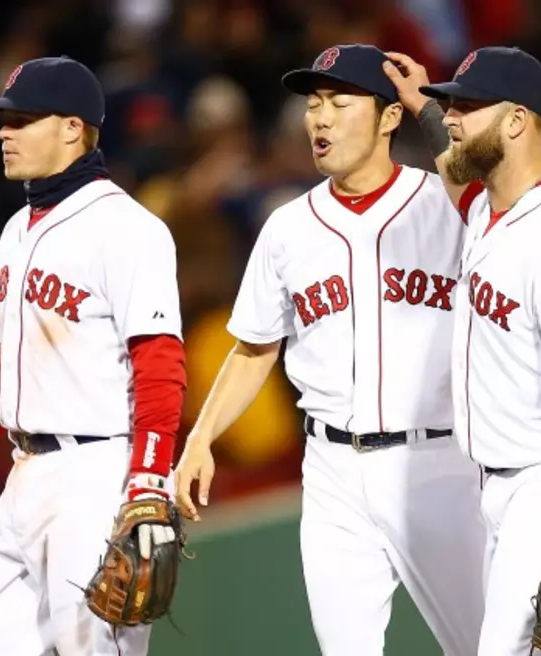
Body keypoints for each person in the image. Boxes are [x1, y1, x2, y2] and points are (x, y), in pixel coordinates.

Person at [174, 44, 487, 656]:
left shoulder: (450, 207)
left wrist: (429, 108)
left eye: (340, 102)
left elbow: (508, 200)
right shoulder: (287, 228)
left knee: (497, 645)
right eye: (312, 104)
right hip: (333, 473)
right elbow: (252, 348)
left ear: (388, 117)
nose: (318, 118)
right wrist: (200, 437)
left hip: (440, 460)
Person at [382, 47, 541, 655]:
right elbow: (455, 173)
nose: (453, 118)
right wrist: (423, 103)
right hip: (503, 481)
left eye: (468, 107)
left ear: (517, 121)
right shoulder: (488, 209)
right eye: (452, 105)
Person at [0, 56, 186, 656]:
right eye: (5, 120)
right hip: (24, 472)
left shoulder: (127, 227)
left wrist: (148, 480)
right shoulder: (16, 228)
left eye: (21, 120)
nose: (3, 132)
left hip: (97, 470)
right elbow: (10, 353)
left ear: (73, 128)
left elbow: (161, 361)